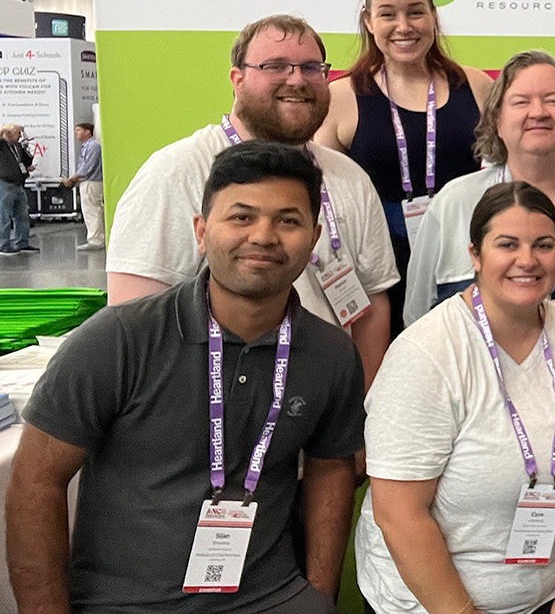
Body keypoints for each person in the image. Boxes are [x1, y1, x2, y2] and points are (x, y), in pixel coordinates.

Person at [6, 141, 365, 613]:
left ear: (314, 237)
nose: (264, 235)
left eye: (288, 220)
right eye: (241, 217)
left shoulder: (331, 352)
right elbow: (35, 482)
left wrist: (318, 597)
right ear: (200, 232)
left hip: (270, 598)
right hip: (126, 603)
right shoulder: (118, 340)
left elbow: (331, 471)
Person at [356, 181, 555, 613]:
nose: (527, 260)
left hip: (549, 599)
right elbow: (399, 514)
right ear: (475, 255)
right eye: (508, 244)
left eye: (543, 245)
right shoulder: (426, 353)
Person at [107, 14, 399, 390]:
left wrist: (356, 410)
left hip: (321, 411)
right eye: (275, 66)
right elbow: (136, 316)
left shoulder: (349, 178)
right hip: (212, 414)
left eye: (311, 67)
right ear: (237, 79)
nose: (296, 79)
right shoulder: (176, 172)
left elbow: (371, 305)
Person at [316, 0, 494, 337]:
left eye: (416, 12)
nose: (404, 26)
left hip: (464, 259)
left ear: (433, 16)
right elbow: (325, 199)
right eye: (388, 14)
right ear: (368, 21)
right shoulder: (341, 97)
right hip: (377, 270)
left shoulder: (476, 87)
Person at [404, 50, 555, 324]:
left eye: (553, 100)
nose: (538, 112)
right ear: (498, 121)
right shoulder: (453, 204)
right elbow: (418, 317)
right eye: (521, 102)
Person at [62, 122, 105, 251]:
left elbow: (88, 167)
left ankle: (96, 240)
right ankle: (98, 237)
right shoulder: (89, 146)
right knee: (93, 210)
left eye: (79, 130)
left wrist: (73, 179)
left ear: (88, 132)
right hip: (90, 182)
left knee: (92, 211)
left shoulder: (93, 146)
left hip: (92, 182)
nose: (76, 133)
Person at [0, 123, 37, 256]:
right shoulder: (2, 146)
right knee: (4, 215)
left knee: (22, 215)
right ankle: (2, 244)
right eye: (18, 133)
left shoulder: (17, 146)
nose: (20, 136)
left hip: (18, 184)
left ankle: (22, 242)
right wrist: (4, 130)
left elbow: (26, 161)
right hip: (4, 183)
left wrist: (24, 148)